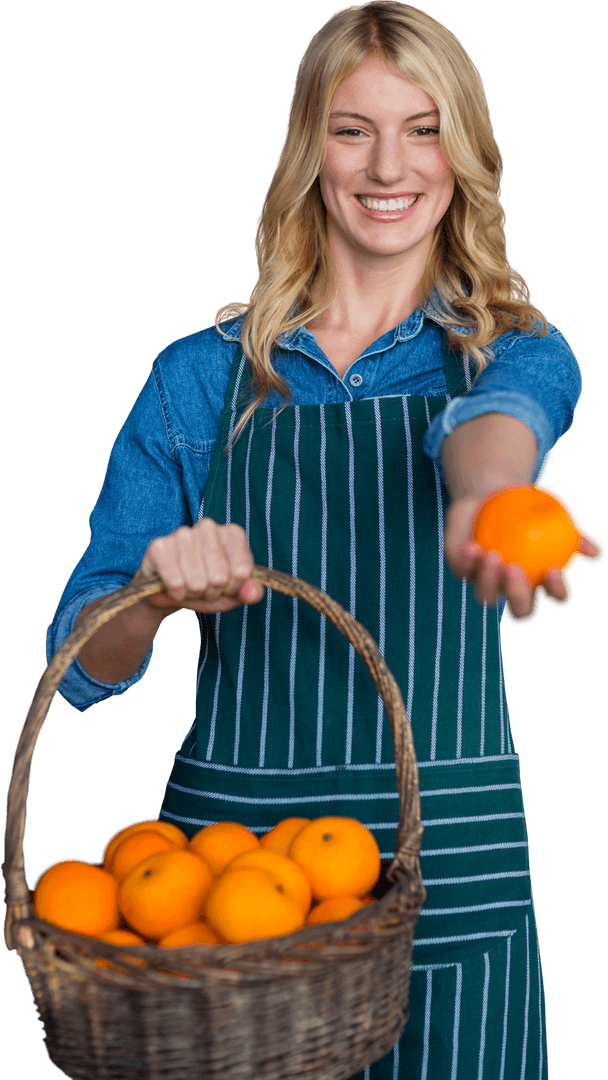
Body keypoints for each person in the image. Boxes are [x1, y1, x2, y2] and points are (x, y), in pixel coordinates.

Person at [46, 2, 603, 1077]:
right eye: (352, 129)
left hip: (443, 877)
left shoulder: (508, 353)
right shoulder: (198, 380)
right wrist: (155, 597)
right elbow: (80, 655)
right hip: (221, 886)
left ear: (463, 154)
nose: (387, 164)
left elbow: (494, 435)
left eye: (423, 126)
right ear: (310, 151)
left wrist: (485, 503)